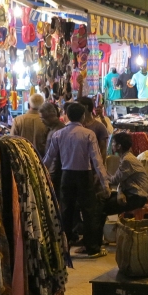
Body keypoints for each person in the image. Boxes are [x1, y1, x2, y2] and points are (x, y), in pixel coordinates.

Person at [43, 102, 109, 258]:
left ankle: (63, 248)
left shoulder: (58, 134)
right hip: (84, 176)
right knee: (89, 212)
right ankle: (92, 248)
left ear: (66, 115)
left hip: (66, 175)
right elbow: (97, 160)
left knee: (66, 211)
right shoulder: (88, 134)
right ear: (83, 116)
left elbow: (48, 158)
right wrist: (105, 183)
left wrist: (40, 173)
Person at [103, 132, 148, 215]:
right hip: (133, 193)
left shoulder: (127, 160)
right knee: (105, 199)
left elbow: (115, 180)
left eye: (113, 142)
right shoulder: (126, 157)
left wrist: (102, 175)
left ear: (119, 146)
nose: (112, 145)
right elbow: (121, 180)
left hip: (138, 196)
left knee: (105, 206)